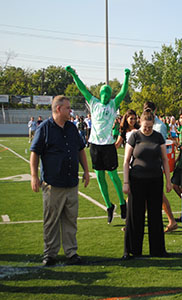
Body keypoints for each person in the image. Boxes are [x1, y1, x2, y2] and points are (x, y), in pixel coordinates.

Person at [30, 95, 90, 266]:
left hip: (71, 182)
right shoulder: (45, 128)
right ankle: (50, 253)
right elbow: (35, 153)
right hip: (52, 183)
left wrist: (86, 171)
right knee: (51, 220)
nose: (70, 111)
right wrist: (34, 176)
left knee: (71, 219)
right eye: (67, 108)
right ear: (58, 109)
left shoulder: (71, 128)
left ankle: (71, 252)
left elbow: (80, 150)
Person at [66, 66, 130, 223]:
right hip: (95, 145)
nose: (105, 95)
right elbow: (82, 88)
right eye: (103, 92)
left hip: (108, 145)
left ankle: (122, 203)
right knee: (100, 176)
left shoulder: (113, 104)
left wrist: (127, 76)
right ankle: (109, 205)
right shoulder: (93, 102)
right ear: (100, 94)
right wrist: (74, 74)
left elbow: (122, 92)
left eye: (107, 93)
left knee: (113, 176)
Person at [122, 110, 172, 259]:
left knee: (155, 216)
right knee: (135, 215)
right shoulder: (134, 136)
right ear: (140, 123)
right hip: (136, 180)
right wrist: (126, 182)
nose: (148, 130)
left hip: (155, 180)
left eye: (150, 127)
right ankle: (131, 250)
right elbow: (126, 161)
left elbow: (164, 160)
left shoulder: (158, 137)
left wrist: (168, 181)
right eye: (145, 127)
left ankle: (157, 250)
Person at [142, 101, 178, 233]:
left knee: (158, 195)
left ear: (155, 110)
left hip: (155, 165)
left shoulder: (160, 126)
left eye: (150, 109)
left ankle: (172, 221)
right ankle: (137, 222)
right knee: (148, 195)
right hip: (145, 166)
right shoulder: (143, 123)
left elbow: (162, 149)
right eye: (146, 109)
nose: (148, 111)